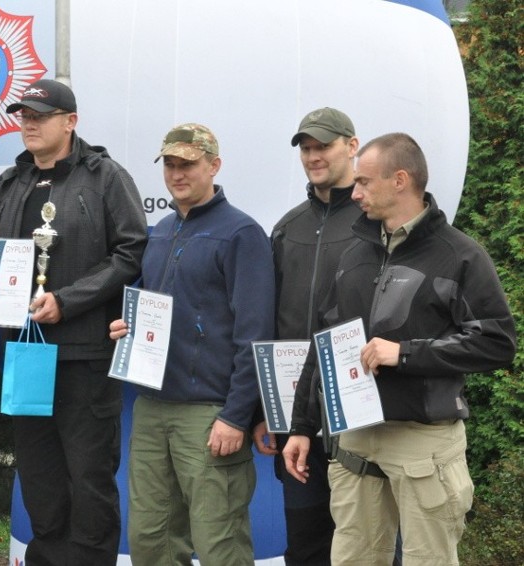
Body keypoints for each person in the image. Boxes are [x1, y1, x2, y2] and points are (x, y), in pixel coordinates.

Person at [282, 133, 516, 565]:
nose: (355, 193)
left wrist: (405, 353)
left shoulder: (460, 256)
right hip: (354, 440)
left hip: (423, 445)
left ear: (401, 180)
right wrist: (301, 426)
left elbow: (497, 343)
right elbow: (324, 342)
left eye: (365, 183)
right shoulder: (354, 254)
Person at [0, 79, 147, 565]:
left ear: (70, 122)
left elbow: (130, 253)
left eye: (39, 115)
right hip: (25, 355)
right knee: (40, 478)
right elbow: (9, 258)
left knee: (89, 482)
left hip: (84, 355)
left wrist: (66, 302)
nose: (28, 123)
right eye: (23, 115)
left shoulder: (106, 176)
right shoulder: (12, 181)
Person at [109, 123, 276, 565]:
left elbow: (255, 335)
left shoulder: (242, 233)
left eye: (188, 164)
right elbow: (152, 310)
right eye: (170, 163)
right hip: (151, 407)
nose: (177, 173)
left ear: (214, 166)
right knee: (151, 539)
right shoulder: (162, 230)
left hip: (209, 414)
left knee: (219, 542)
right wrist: (126, 328)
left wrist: (236, 416)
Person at [266, 107, 361, 565]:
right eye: (306, 148)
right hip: (294, 416)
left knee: (368, 542)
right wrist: (265, 411)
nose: (313, 155)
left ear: (352, 146)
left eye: (323, 145)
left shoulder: (374, 223)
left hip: (360, 415)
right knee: (304, 544)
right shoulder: (287, 227)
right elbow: (270, 321)